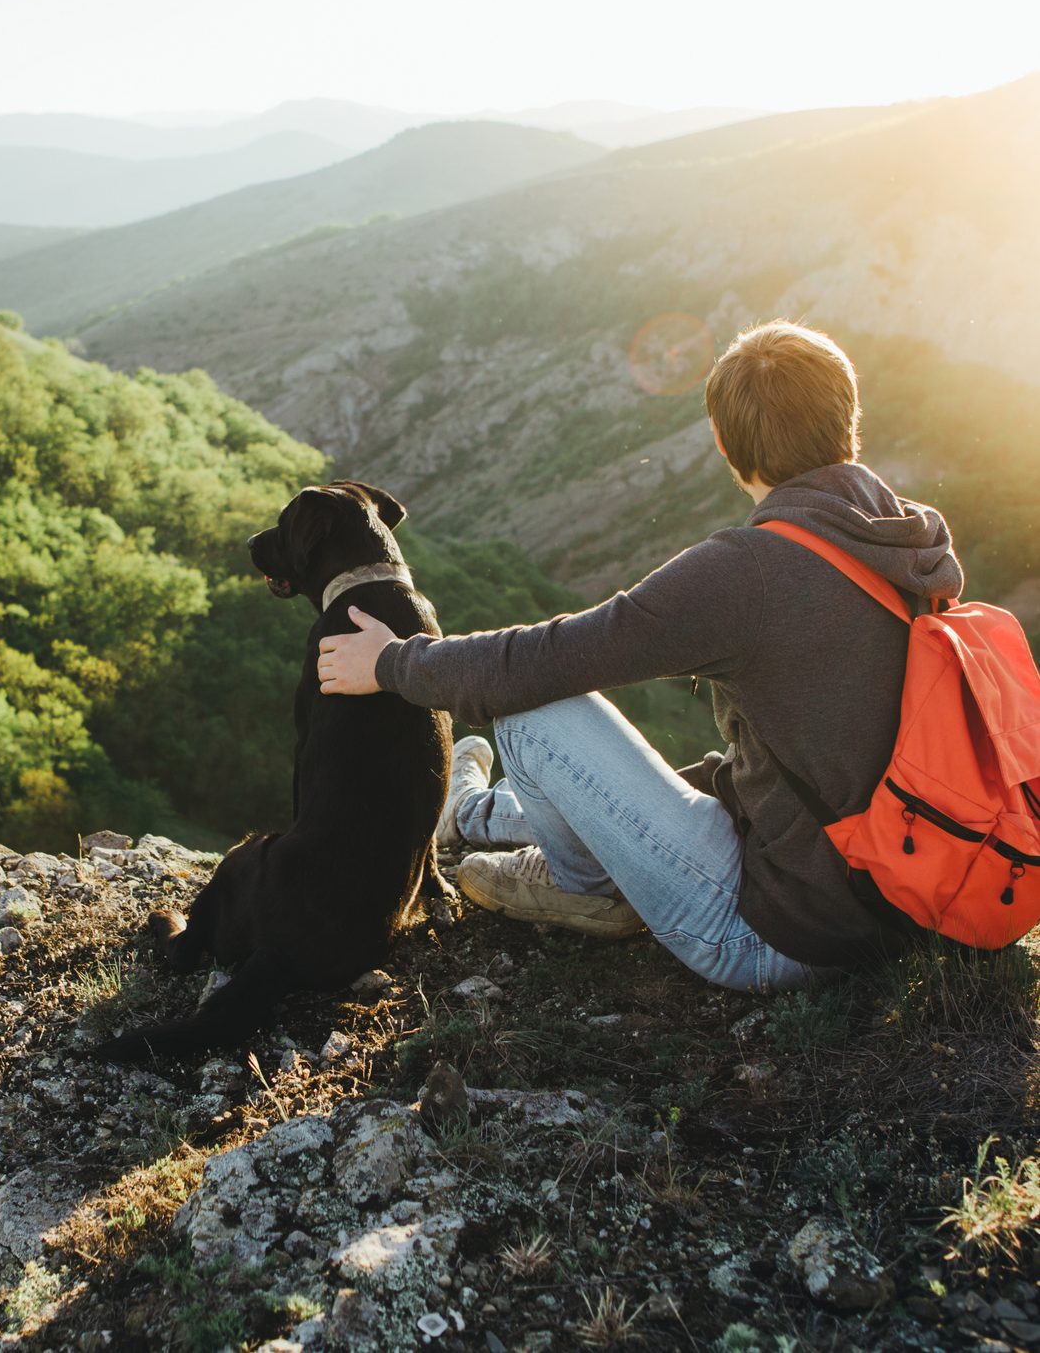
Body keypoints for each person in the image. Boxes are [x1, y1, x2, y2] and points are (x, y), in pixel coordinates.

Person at [315, 320, 964, 992]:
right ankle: (475, 814)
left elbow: (547, 658)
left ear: (723, 444)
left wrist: (393, 663)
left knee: (531, 715)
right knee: (666, 778)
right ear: (849, 423)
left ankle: (585, 887)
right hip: (910, 898)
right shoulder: (909, 543)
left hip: (782, 935)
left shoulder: (750, 574)